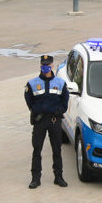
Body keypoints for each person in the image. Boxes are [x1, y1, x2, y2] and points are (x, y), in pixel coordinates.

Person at [24, 55, 69, 189]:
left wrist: (58, 111)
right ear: (40, 65)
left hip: (55, 121)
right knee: (37, 149)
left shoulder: (60, 83)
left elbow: (64, 101)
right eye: (43, 64)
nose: (45, 67)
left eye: (48, 64)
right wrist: (37, 111)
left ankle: (59, 177)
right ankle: (35, 179)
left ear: (52, 66)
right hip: (40, 121)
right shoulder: (32, 83)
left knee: (57, 149)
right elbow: (29, 100)